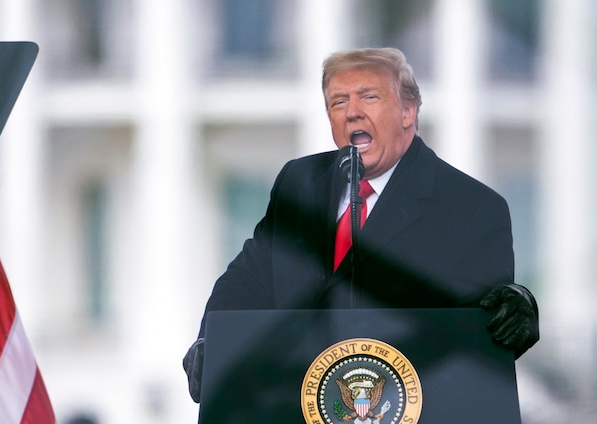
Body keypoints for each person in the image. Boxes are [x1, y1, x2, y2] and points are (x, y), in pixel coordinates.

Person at [183, 47, 538, 403]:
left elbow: (485, 324)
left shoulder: (471, 207)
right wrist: (212, 343)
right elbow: (249, 279)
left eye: (369, 97)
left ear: (407, 111)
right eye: (338, 102)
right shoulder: (299, 182)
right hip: (294, 422)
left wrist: (515, 308)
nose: (352, 112)